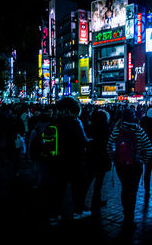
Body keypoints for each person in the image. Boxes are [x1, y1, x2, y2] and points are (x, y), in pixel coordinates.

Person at [107, 107, 152, 232]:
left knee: (125, 188)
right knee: (133, 190)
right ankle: (130, 218)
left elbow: (109, 147)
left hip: (120, 166)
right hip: (135, 166)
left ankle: (125, 214)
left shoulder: (117, 130)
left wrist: (115, 159)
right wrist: (143, 160)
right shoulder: (139, 130)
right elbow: (148, 148)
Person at [47, 96, 91, 226]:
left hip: (57, 161)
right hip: (74, 161)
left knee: (58, 189)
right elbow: (82, 142)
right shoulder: (75, 122)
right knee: (78, 187)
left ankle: (54, 215)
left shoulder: (55, 121)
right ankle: (78, 211)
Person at [84, 109, 111, 217]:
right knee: (99, 181)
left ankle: (81, 200)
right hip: (102, 158)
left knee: (88, 180)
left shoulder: (89, 127)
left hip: (90, 157)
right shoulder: (106, 129)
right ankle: (96, 199)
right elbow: (108, 144)